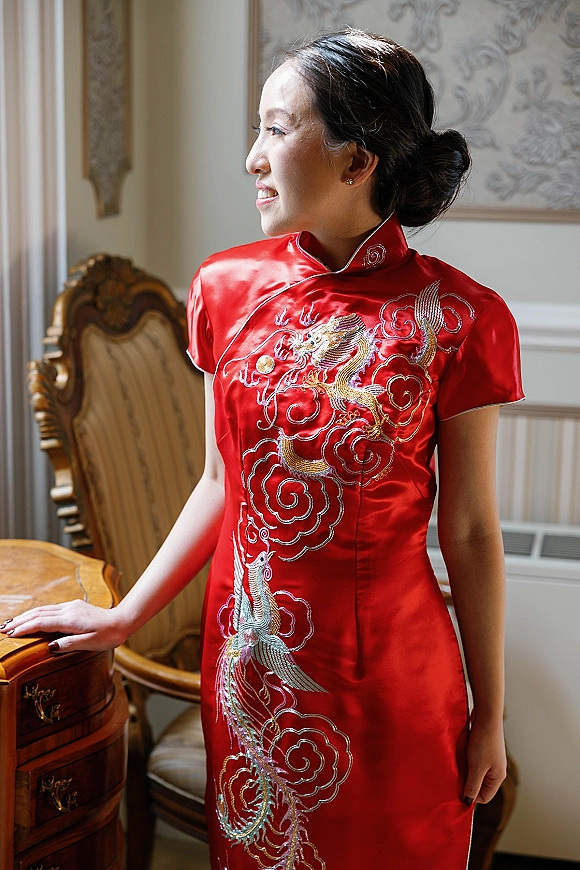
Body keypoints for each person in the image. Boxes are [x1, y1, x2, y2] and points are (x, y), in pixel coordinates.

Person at [1, 29, 523, 870]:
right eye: (258, 126)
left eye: (278, 129)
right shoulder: (224, 288)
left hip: (396, 683)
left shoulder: (462, 320)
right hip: (250, 672)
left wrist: (490, 715)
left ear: (358, 162)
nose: (253, 156)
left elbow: (469, 534)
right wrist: (126, 614)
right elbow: (219, 481)